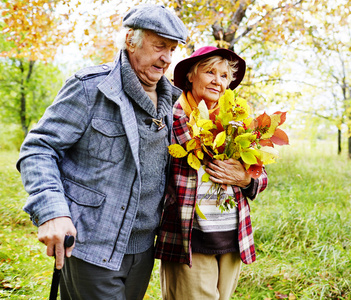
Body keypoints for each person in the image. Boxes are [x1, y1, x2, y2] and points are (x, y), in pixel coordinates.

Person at [16, 4, 188, 299]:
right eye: (160, 46)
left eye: (171, 49)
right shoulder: (91, 88)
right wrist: (52, 212)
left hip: (143, 249)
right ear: (131, 41)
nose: (166, 58)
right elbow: (38, 148)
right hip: (92, 246)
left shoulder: (172, 101)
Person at [155, 46, 269, 300]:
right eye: (210, 72)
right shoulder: (170, 119)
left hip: (231, 238)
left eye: (224, 76)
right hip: (189, 239)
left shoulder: (238, 123)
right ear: (191, 76)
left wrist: (246, 178)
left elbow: (262, 178)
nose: (217, 81)